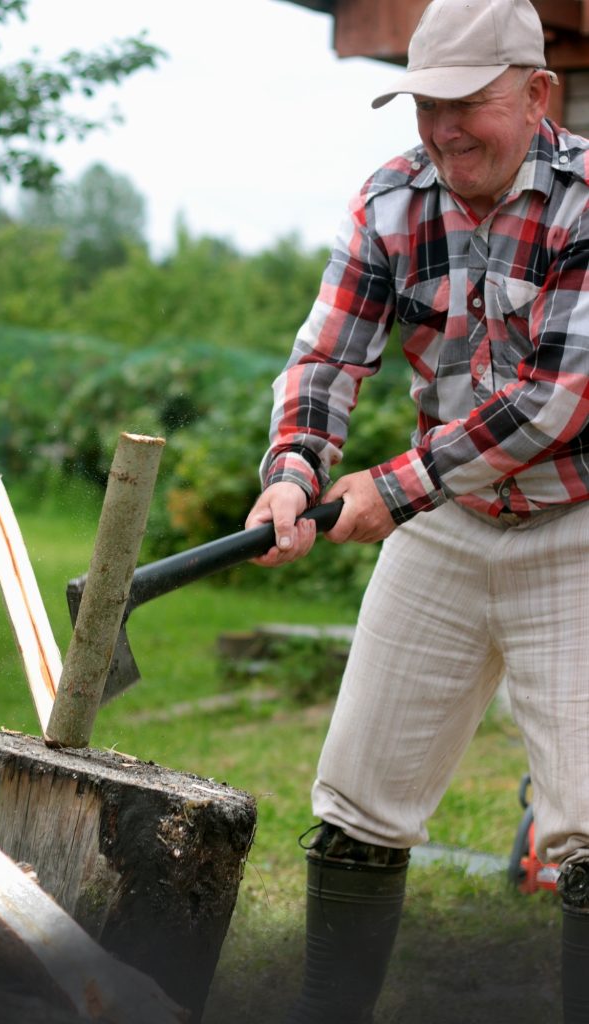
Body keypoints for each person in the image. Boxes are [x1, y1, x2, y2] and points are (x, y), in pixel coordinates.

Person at [245, 0, 589, 1020]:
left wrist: (390, 488)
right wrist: (294, 469)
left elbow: (555, 401)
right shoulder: (392, 198)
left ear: (534, 95)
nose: (440, 130)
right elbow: (326, 353)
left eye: (464, 105)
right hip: (445, 524)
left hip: (572, 528)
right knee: (355, 801)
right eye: (422, 105)